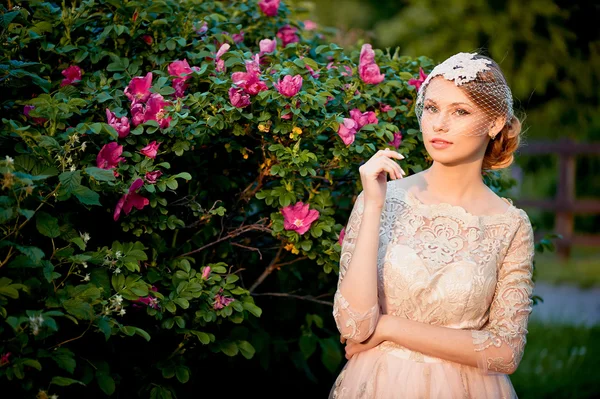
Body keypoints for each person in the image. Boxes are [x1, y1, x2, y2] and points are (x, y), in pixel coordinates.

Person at [330, 52, 535, 398]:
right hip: (377, 385)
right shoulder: (379, 196)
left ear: (496, 123)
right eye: (431, 108)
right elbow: (354, 326)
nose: (439, 124)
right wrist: (375, 205)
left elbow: (505, 351)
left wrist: (390, 327)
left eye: (460, 111)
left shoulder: (510, 224)